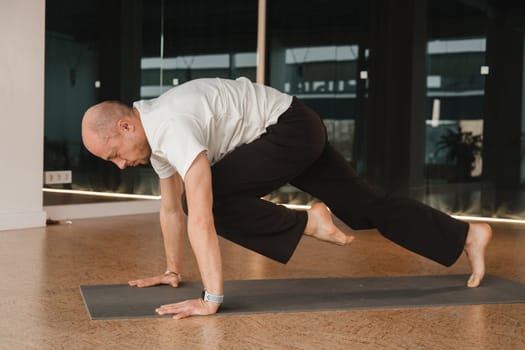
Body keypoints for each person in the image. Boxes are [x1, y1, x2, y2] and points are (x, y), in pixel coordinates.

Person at [81, 77, 492, 320]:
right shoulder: (155, 138)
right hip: (295, 128)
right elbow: (169, 208)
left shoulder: (171, 126)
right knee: (367, 206)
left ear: (125, 125)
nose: (118, 165)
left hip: (288, 130)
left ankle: (311, 223)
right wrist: (172, 271)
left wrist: (212, 299)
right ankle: (467, 235)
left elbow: (200, 216)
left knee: (206, 198)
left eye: (114, 154)